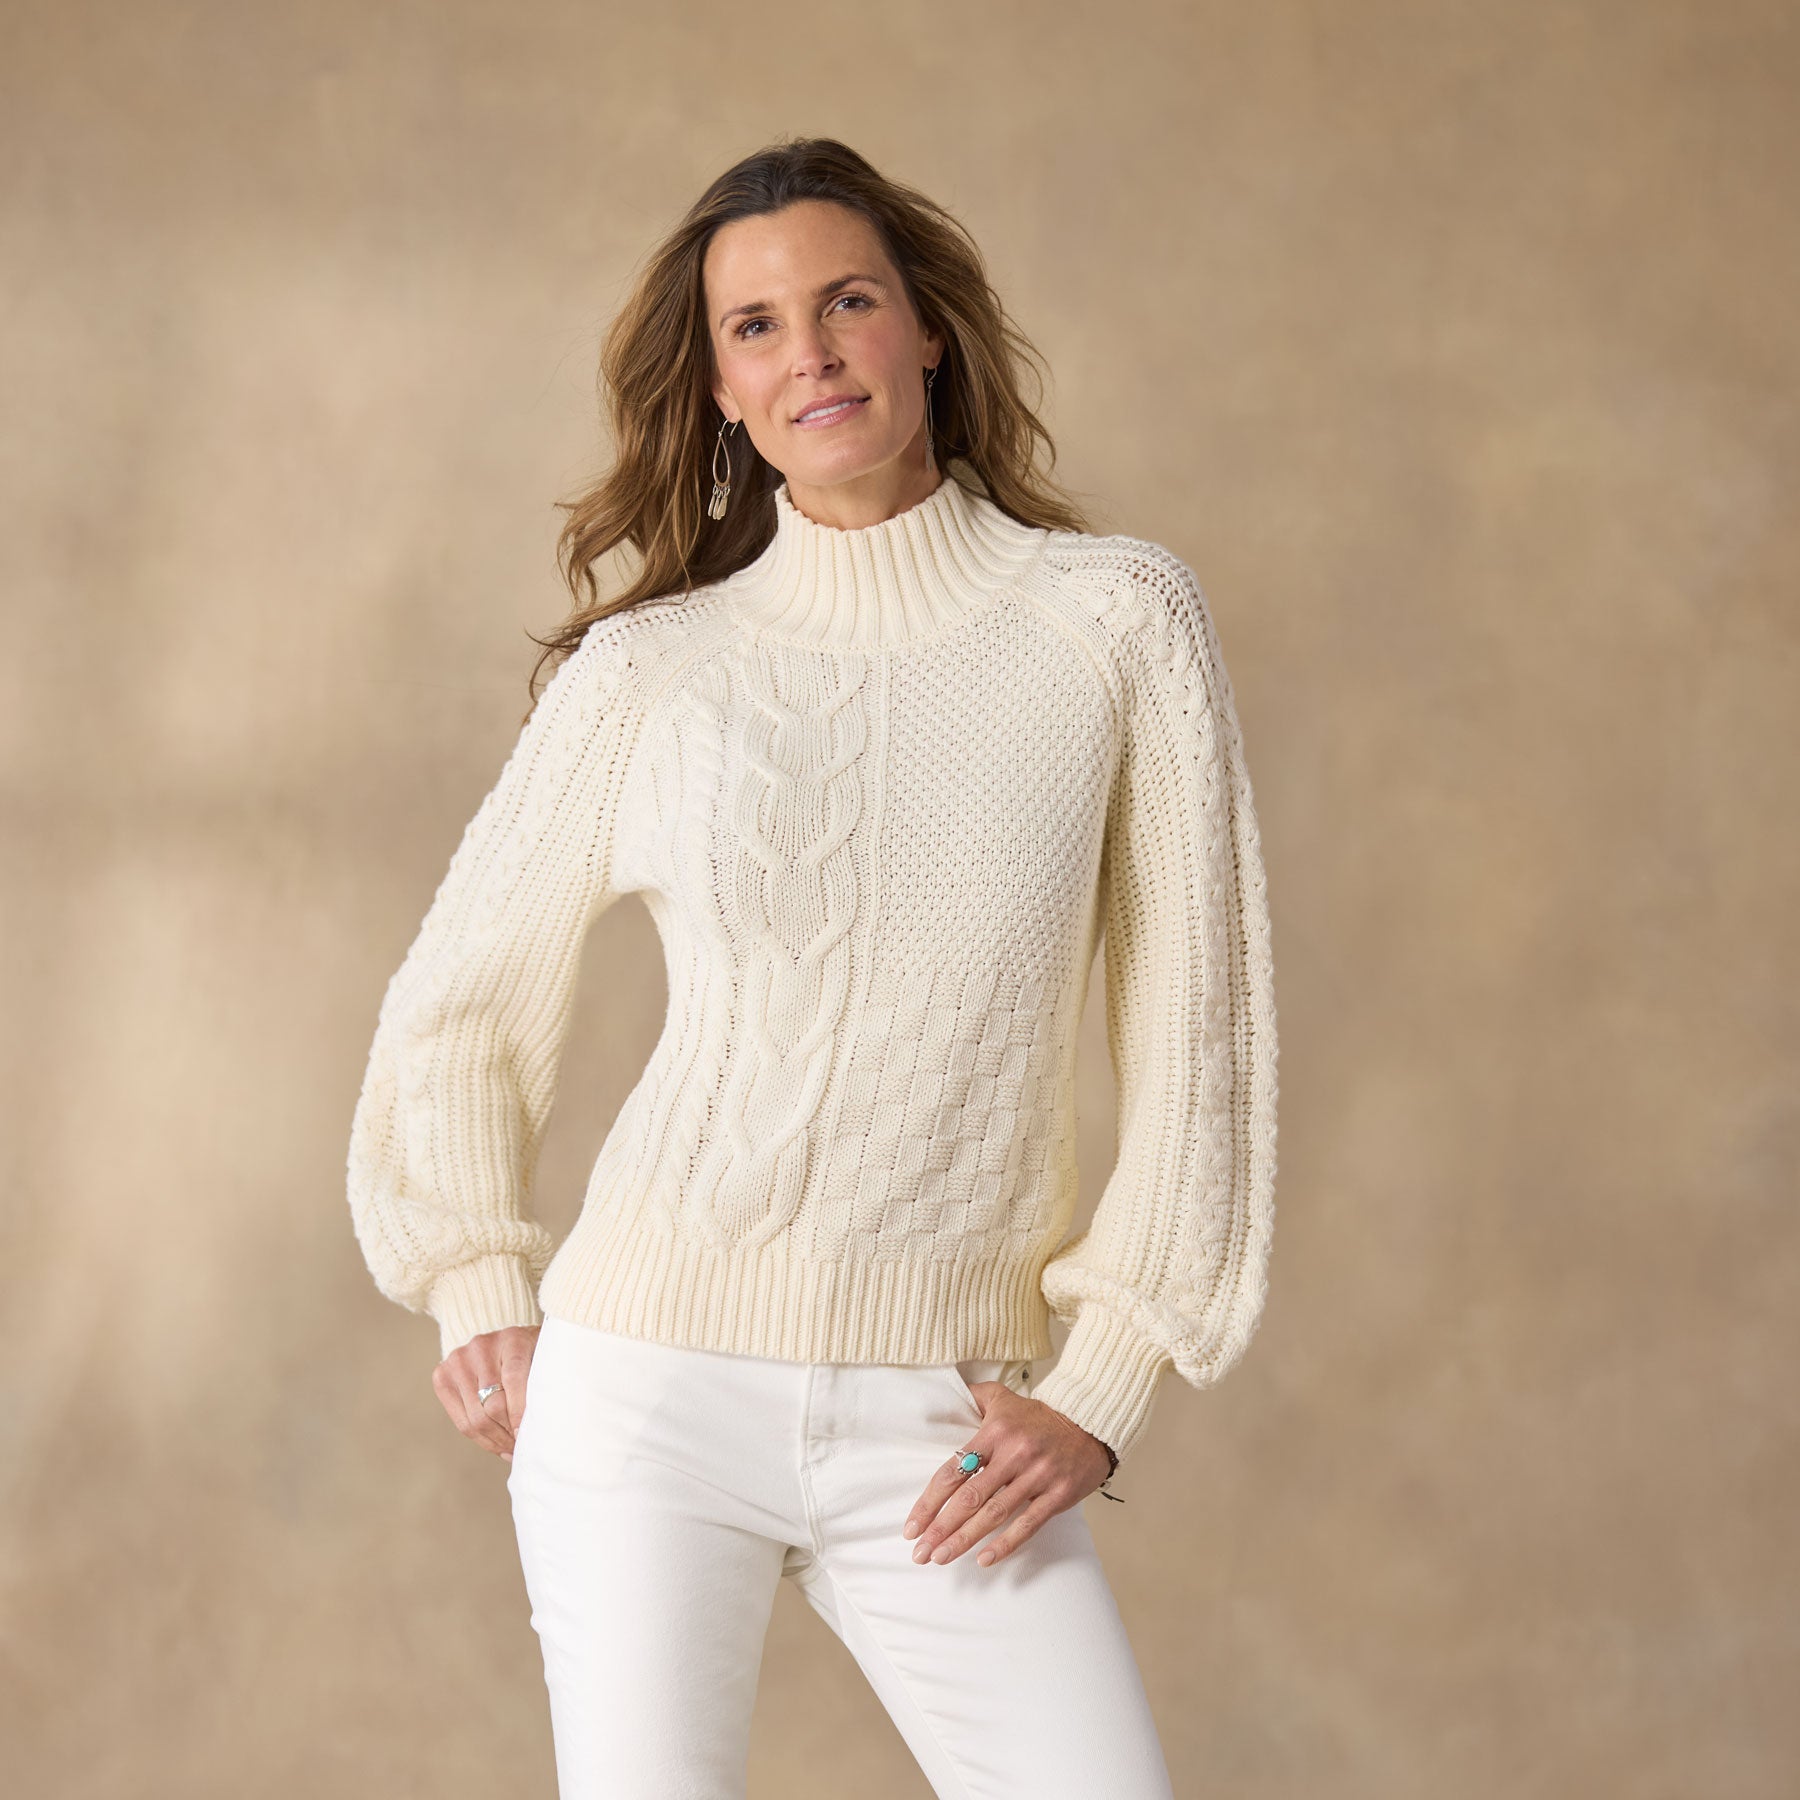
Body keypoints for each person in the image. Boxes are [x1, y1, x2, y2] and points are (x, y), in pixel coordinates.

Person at [345, 135, 1278, 1800]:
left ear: (929, 330)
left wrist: (1108, 1377)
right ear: (721, 390)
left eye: (848, 302)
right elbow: (458, 1003)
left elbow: (1197, 1034)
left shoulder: (1118, 624)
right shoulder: (653, 672)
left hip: (941, 1414)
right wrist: (476, 1281)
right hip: (644, 1388)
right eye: (758, 327)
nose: (814, 355)